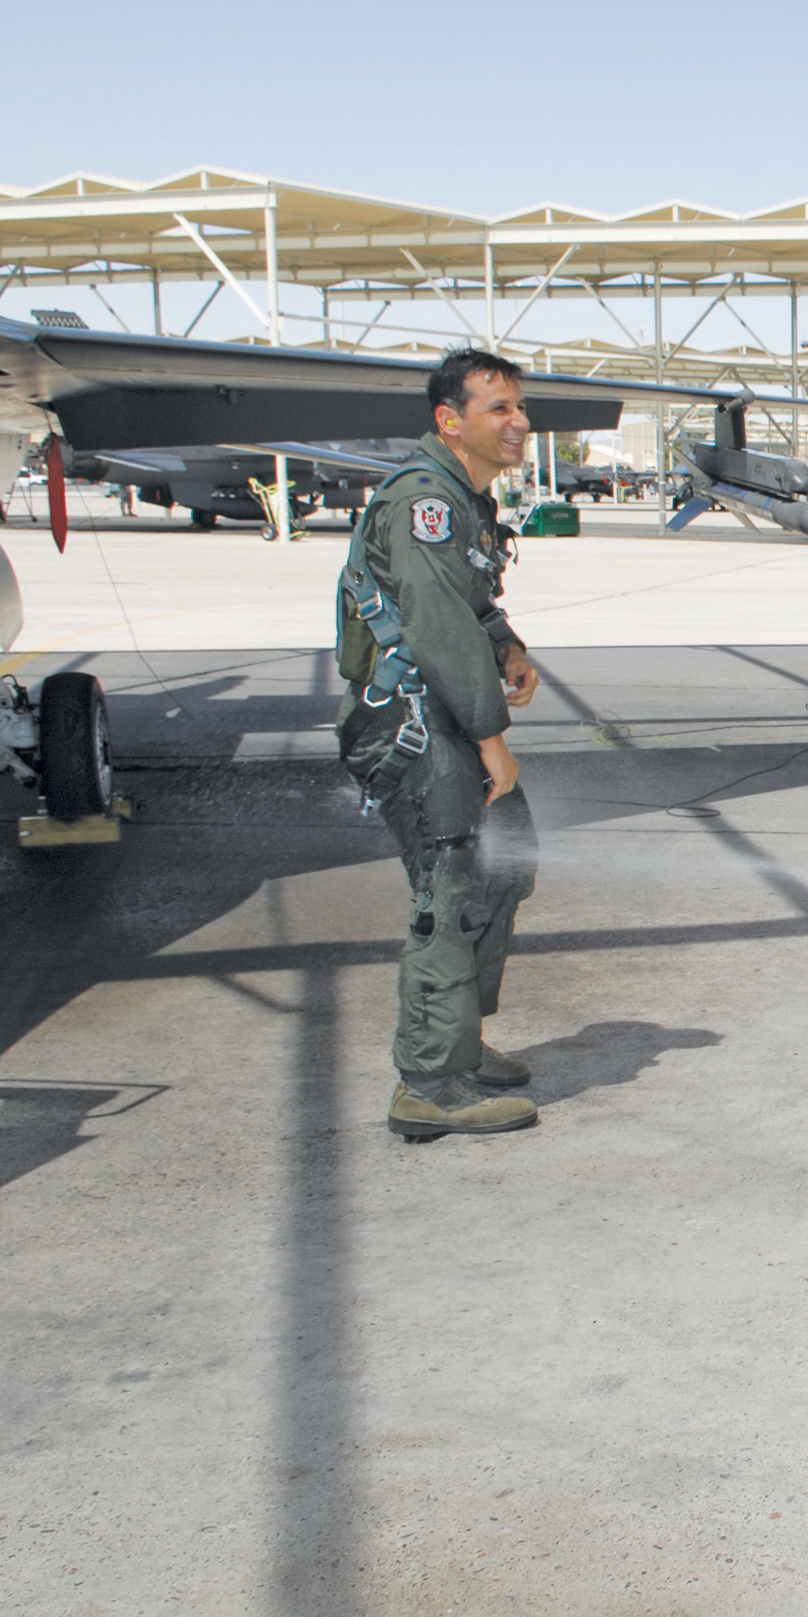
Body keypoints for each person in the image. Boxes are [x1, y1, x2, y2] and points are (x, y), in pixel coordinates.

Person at [335, 347, 545, 1142]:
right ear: (450, 422)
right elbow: (436, 625)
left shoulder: (464, 500)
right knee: (450, 889)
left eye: (520, 407)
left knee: (505, 865)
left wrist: (510, 647)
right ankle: (429, 1082)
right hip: (415, 725)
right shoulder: (425, 501)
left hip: (445, 712)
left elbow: (472, 606)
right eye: (499, 409)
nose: (519, 421)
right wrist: (493, 742)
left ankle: (461, 1042)